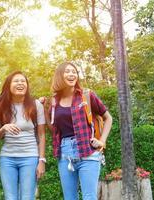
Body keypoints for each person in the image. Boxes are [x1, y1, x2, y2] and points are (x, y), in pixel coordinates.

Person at [43, 61, 112, 200]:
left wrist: (102, 141)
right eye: (67, 71)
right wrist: (45, 110)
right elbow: (54, 130)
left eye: (74, 71)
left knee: (89, 197)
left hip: (88, 152)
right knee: (69, 198)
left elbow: (108, 118)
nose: (71, 74)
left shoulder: (86, 95)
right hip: (65, 154)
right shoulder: (54, 101)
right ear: (59, 76)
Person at [0, 71, 46, 200]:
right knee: (10, 197)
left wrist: (41, 160)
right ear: (8, 86)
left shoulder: (35, 105)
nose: (20, 83)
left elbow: (42, 134)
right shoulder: (0, 106)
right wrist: (4, 128)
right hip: (7, 158)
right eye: (16, 81)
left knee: (27, 197)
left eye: (23, 81)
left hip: (30, 157)